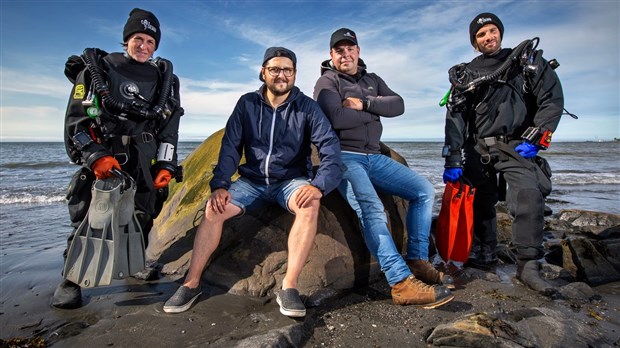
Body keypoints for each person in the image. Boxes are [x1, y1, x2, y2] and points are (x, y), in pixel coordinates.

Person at [163, 47, 343, 318]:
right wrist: (220, 185)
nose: (281, 75)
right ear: (263, 72)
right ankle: (191, 283)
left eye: (287, 70)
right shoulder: (246, 103)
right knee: (213, 209)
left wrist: (318, 185)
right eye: (275, 69)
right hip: (251, 182)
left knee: (310, 205)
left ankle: (289, 287)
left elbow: (330, 146)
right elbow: (230, 147)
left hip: (290, 182)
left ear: (294, 74)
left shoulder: (307, 107)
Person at [52, 8, 184, 309]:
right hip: (106, 156)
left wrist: (165, 164)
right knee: (93, 217)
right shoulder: (99, 70)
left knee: (142, 214)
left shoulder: (165, 80)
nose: (143, 46)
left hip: (143, 157)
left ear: (156, 46)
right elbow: (76, 121)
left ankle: (134, 264)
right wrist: (95, 156)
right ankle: (70, 281)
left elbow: (170, 129)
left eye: (150, 41)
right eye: (138, 38)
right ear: (127, 40)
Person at [314, 28, 454, 308]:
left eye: (350, 48)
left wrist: (364, 103)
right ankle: (400, 283)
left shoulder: (372, 80)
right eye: (339, 50)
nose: (345, 54)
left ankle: (416, 260)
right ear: (331, 55)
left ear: (358, 51)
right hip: (344, 157)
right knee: (372, 208)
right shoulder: (326, 82)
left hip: (375, 157)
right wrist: (375, 113)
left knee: (423, 190)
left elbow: (399, 105)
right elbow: (336, 118)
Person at [441, 13, 564, 286]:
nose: (488, 37)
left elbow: (551, 98)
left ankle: (528, 265)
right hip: (477, 147)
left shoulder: (525, 63)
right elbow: (455, 118)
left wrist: (537, 136)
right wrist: (452, 157)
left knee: (528, 195)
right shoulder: (466, 73)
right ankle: (485, 254)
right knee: (481, 203)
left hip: (515, 145)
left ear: (500, 33)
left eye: (492, 31)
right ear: (475, 41)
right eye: (481, 34)